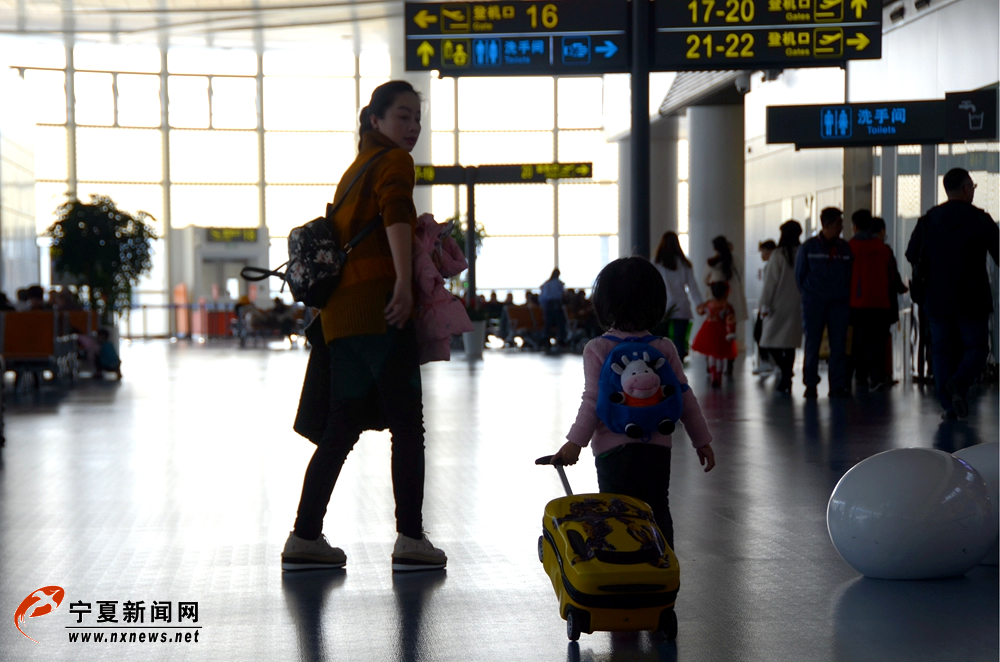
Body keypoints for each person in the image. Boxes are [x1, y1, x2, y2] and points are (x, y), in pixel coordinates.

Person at [282, 80, 447, 573]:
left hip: (341, 319)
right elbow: (396, 217)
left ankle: (305, 536)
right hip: (380, 310)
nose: (412, 127)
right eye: (402, 116)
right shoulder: (394, 162)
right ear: (375, 120)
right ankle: (410, 538)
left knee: (341, 428)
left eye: (416, 117)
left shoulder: (353, 171)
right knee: (408, 427)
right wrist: (402, 283)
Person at [549, 256, 714, 550]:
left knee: (618, 512)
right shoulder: (663, 347)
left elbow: (593, 401)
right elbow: (684, 396)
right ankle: (663, 568)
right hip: (657, 448)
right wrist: (701, 440)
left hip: (614, 452)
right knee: (656, 508)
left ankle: (624, 571)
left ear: (604, 303)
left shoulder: (597, 348)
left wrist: (575, 443)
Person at [905, 168, 999, 420]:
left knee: (942, 351)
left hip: (936, 300)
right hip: (972, 298)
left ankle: (948, 405)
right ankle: (958, 384)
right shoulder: (979, 219)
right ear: (967, 188)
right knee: (977, 349)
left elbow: (911, 254)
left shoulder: (928, 220)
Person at [796, 207, 852, 399]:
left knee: (838, 345)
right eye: (838, 224)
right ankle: (810, 384)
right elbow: (800, 277)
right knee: (812, 343)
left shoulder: (844, 249)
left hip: (839, 304)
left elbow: (849, 275)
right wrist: (810, 294)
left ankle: (837, 385)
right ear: (826, 225)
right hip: (814, 303)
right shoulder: (809, 248)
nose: (841, 228)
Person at [847, 210, 894, 391]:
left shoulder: (849, 247)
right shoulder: (884, 249)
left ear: (855, 227)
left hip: (855, 304)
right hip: (880, 304)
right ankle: (877, 377)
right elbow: (890, 278)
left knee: (854, 343)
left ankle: (857, 376)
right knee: (877, 343)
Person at [759, 221, 803, 394]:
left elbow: (770, 283)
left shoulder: (778, 254)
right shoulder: (801, 252)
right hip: (797, 304)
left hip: (778, 304)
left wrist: (765, 304)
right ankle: (787, 375)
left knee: (769, 341)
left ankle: (785, 373)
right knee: (790, 343)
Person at [652, 231, 703, 362]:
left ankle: (662, 368)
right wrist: (699, 304)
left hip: (662, 308)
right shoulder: (685, 264)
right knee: (679, 341)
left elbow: (651, 286)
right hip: (682, 307)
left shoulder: (656, 263)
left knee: (660, 341)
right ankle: (677, 371)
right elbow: (693, 287)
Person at [871, 216, 908, 385]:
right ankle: (881, 375)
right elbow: (893, 276)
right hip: (883, 302)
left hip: (860, 303)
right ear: (881, 231)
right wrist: (903, 288)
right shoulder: (884, 250)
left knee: (865, 338)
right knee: (880, 339)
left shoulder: (854, 247)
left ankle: (864, 376)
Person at [704, 236, 748, 374]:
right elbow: (741, 273)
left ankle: (712, 362)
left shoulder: (712, 262)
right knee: (731, 333)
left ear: (715, 248)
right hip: (733, 301)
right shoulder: (736, 259)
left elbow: (704, 278)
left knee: (714, 333)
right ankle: (730, 362)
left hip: (717, 302)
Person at [692, 282, 738, 388]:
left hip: (709, 329)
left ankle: (713, 376)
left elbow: (700, 310)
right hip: (721, 331)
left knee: (711, 355)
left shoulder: (709, 304)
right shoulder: (727, 306)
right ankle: (719, 377)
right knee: (720, 356)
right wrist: (731, 331)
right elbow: (730, 320)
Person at [753, 240, 777, 375]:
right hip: (771, 306)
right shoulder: (772, 265)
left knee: (759, 333)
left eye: (762, 251)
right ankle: (772, 363)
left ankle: (766, 361)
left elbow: (768, 289)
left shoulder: (770, 267)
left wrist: (764, 306)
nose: (761, 255)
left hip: (767, 306)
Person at [540, 268, 567, 347]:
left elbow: (543, 296)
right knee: (560, 322)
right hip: (556, 304)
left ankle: (545, 338)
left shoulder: (547, 283)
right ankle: (561, 338)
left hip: (548, 305)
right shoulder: (559, 283)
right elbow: (561, 294)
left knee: (548, 322)